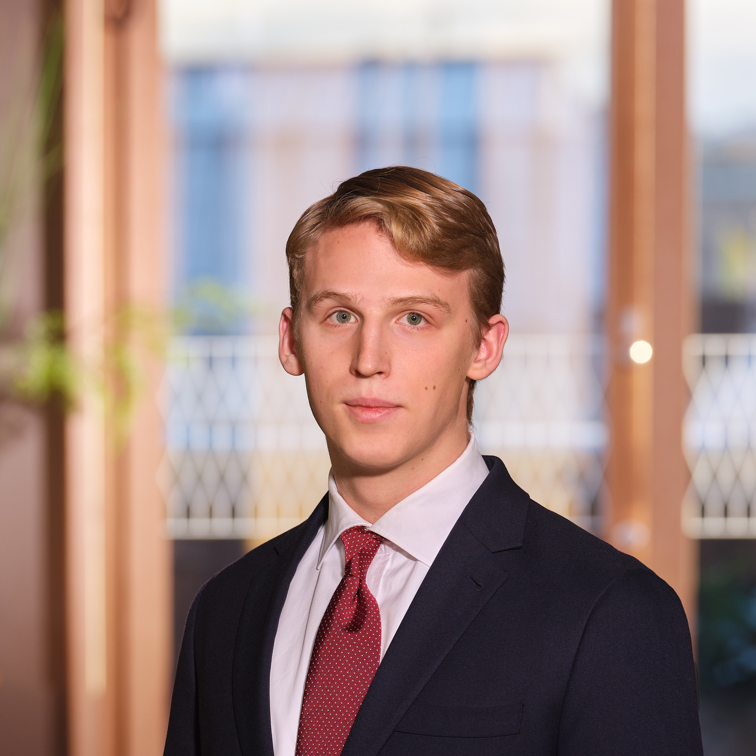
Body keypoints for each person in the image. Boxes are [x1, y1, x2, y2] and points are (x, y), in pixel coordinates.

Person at [164, 166, 703, 756]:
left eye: (414, 318)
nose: (369, 359)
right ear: (291, 341)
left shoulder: (611, 611)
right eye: (340, 315)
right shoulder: (225, 611)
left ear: (484, 347)